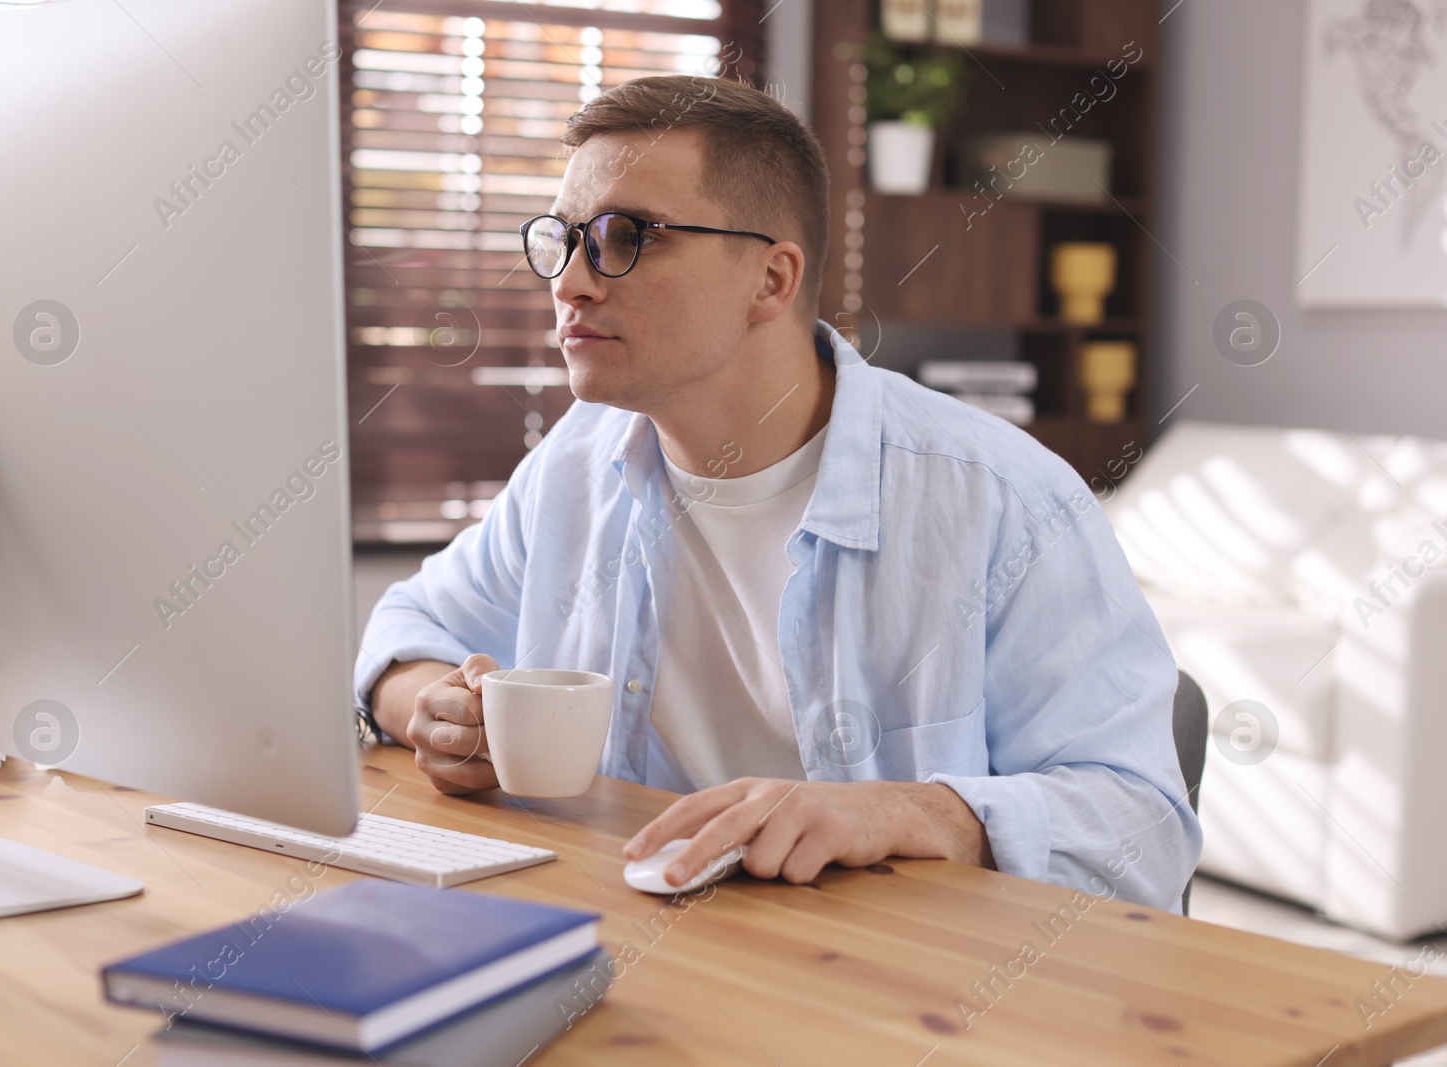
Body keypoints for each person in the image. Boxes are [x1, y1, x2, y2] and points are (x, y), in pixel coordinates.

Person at [355, 74, 1201, 911]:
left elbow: (1146, 828)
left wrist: (917, 810)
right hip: (624, 938)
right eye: (563, 238)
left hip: (895, 997)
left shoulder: (1003, 501)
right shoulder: (574, 463)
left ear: (771, 279)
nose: (570, 282)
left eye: (623, 235)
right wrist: (432, 706)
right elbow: (403, 629)